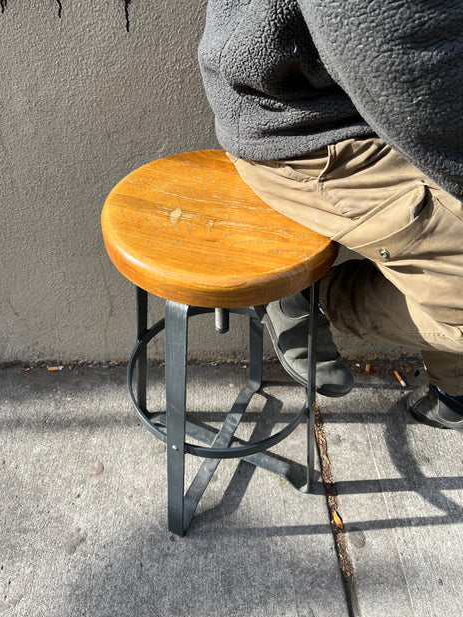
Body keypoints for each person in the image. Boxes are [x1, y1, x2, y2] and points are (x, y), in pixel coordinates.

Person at [198, 1, 463, 432]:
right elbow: (391, 48)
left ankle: (456, 389)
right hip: (307, 123)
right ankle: (309, 294)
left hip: (369, 102)